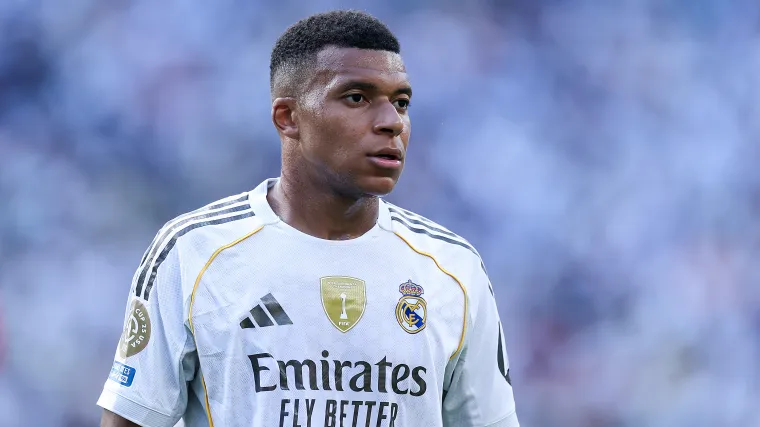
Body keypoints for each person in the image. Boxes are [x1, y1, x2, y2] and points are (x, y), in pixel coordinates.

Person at [98, 9, 519, 427]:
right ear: (288, 118)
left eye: (401, 102)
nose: (392, 122)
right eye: (357, 98)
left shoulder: (452, 269)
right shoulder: (193, 253)